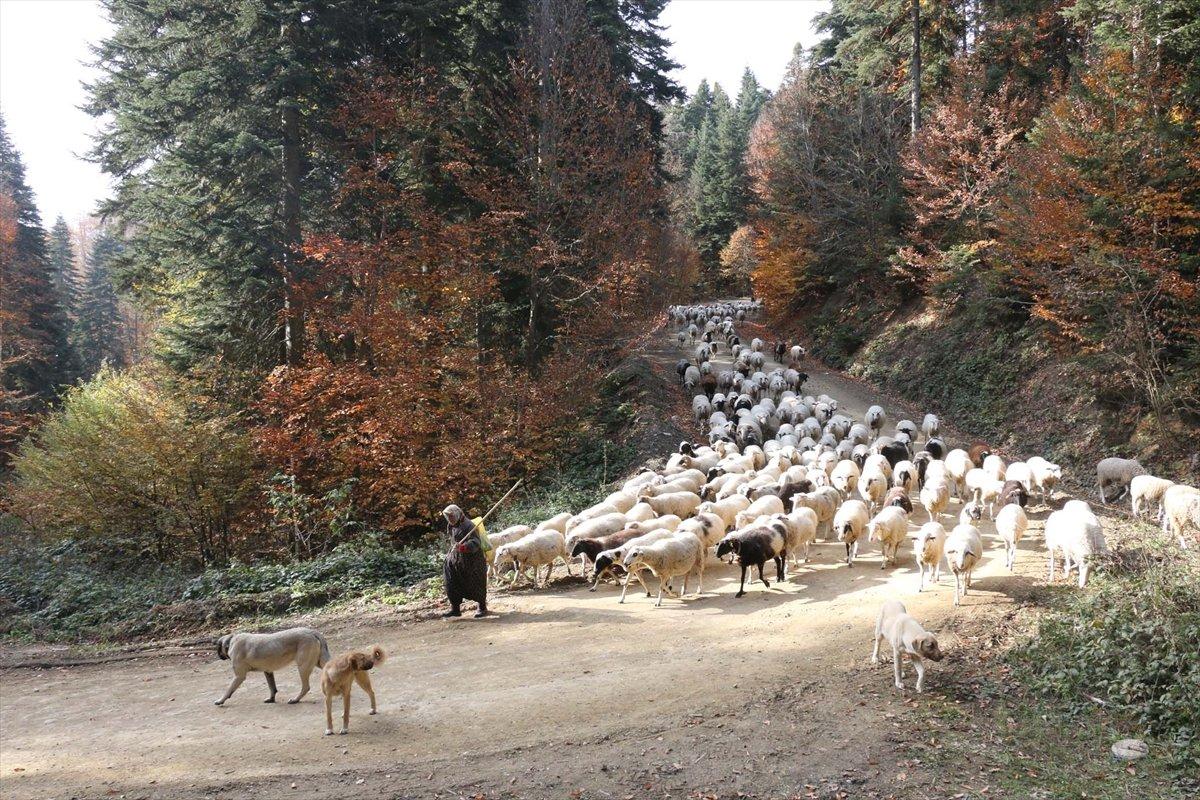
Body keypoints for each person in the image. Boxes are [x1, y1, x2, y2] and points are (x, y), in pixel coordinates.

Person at [441, 504, 489, 618]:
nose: (450, 519)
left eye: (451, 516)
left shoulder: (469, 526)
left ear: (458, 514)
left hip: (472, 561)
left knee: (475, 582)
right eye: (448, 517)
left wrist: (464, 547)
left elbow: (476, 542)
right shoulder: (451, 525)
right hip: (456, 559)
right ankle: (455, 609)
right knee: (452, 583)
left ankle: (482, 607)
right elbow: (453, 540)